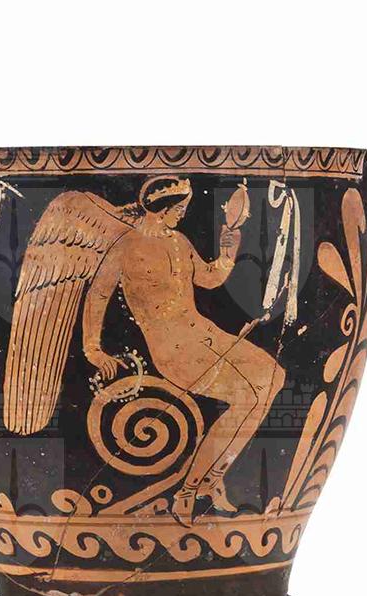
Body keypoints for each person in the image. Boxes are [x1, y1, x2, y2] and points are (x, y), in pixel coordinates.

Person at [82, 176, 286, 525]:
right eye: (178, 208)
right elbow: (98, 294)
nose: (182, 214)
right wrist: (92, 348)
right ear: (160, 209)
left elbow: (208, 278)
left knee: (274, 377)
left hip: (205, 334)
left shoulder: (179, 241)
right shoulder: (125, 247)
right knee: (248, 397)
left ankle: (212, 479)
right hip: (173, 349)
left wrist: (227, 251)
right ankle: (188, 492)